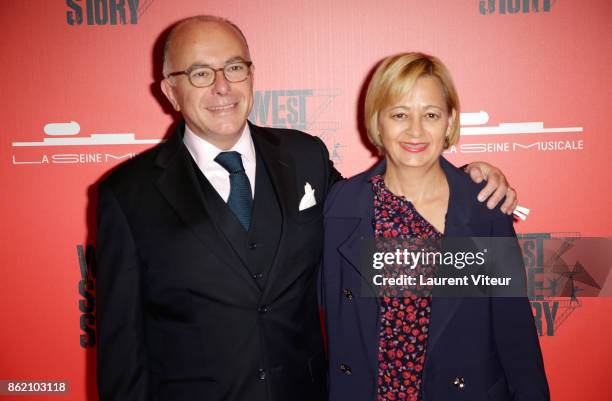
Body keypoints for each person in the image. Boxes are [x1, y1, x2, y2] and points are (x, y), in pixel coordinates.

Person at [95, 16, 517, 401]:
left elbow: (382, 217)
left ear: (251, 75)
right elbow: (122, 354)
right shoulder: (127, 194)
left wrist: (464, 180)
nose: (222, 86)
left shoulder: (305, 156)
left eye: (234, 67)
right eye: (201, 73)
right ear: (171, 90)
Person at [321, 52, 549, 401]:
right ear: (377, 120)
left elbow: (515, 335)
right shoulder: (341, 205)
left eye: (430, 115)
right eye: (399, 114)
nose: (415, 130)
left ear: (449, 121)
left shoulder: (483, 208)